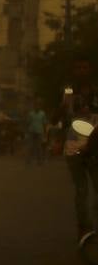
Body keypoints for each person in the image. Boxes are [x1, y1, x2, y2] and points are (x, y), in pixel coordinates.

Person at [59, 54, 98, 239]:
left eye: (85, 67)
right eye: (78, 68)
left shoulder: (95, 90)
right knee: (81, 189)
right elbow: (62, 114)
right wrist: (65, 104)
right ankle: (84, 228)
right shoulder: (69, 89)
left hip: (96, 143)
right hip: (74, 143)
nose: (82, 71)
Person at [25, 100, 48, 166]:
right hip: (31, 131)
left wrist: (45, 132)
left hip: (39, 131)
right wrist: (27, 131)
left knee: (39, 147)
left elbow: (44, 123)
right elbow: (28, 122)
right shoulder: (31, 114)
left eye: (38, 105)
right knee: (30, 146)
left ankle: (39, 161)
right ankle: (28, 160)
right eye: (35, 105)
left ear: (39, 106)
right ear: (34, 106)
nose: (36, 107)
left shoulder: (42, 114)